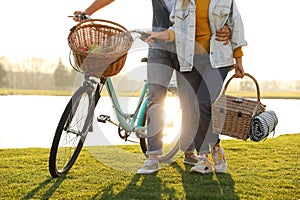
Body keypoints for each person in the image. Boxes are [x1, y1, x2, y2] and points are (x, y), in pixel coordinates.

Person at [73, 0, 232, 174]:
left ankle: (189, 152)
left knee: (189, 103)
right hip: (159, 48)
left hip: (186, 50)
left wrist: (227, 29)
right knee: (156, 97)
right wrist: (88, 12)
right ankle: (153, 158)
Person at [145, 0, 247, 174]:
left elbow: (235, 24)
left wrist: (238, 59)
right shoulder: (183, 2)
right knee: (194, 108)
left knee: (203, 102)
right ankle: (204, 158)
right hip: (190, 62)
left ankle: (214, 148)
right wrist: (158, 35)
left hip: (217, 60)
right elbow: (176, 30)